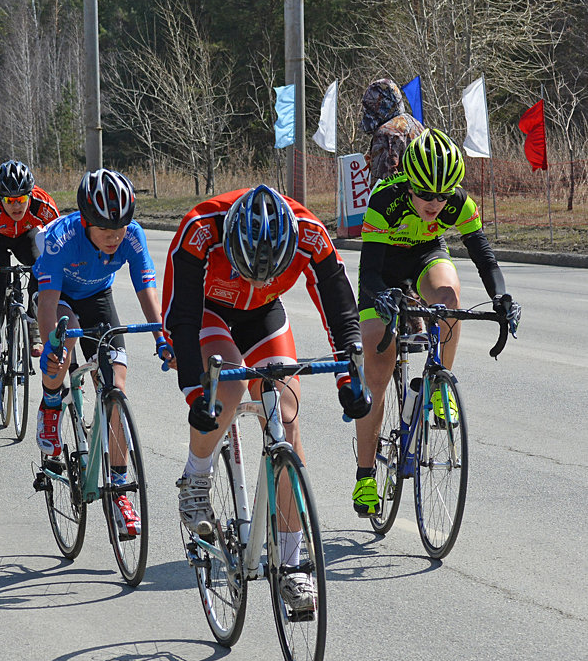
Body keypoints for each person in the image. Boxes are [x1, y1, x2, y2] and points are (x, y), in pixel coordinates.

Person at [163, 184, 368, 614]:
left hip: (263, 315)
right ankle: (197, 475)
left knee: (287, 418)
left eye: (267, 272)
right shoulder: (201, 229)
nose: (255, 278)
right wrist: (194, 391)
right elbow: (180, 318)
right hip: (206, 311)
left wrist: (352, 378)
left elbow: (341, 310)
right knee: (229, 389)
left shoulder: (310, 233)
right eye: (247, 269)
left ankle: (293, 566)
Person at [351, 128, 521, 516]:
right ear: (410, 185)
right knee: (377, 372)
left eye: (443, 196)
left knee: (448, 300)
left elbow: (484, 255)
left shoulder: (458, 201)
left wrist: (501, 297)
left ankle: (440, 382)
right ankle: (364, 476)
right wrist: (383, 300)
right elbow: (371, 274)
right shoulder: (385, 200)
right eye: (426, 195)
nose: (436, 204)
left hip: (426, 255)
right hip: (384, 272)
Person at [33, 169, 171, 538]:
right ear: (85, 221)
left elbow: (147, 291)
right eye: (106, 231)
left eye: (120, 229)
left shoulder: (133, 237)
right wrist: (50, 346)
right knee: (61, 350)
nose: (114, 238)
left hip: (97, 298)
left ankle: (120, 490)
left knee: (116, 392)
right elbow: (46, 302)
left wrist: (162, 336)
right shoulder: (60, 240)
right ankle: (50, 402)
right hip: (58, 296)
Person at [0, 160, 59, 411]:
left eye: (21, 200)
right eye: (9, 201)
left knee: (43, 263)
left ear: (30, 195)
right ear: (0, 198)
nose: (16, 205)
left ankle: (32, 320)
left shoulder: (42, 204)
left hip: (26, 237)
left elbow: (59, 247)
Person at [361, 78, 424, 188]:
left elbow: (382, 183)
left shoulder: (385, 134)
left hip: (399, 200)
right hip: (422, 196)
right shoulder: (415, 124)